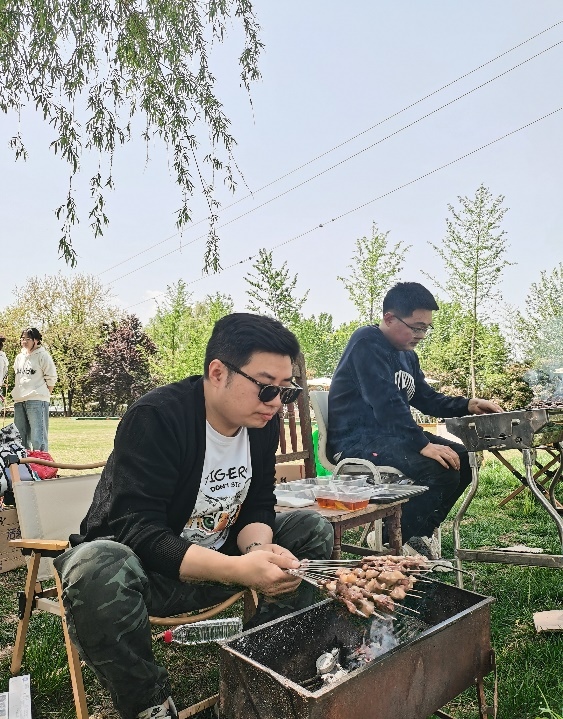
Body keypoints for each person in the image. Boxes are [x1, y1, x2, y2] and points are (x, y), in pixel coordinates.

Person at [54, 313, 334, 719]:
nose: (275, 403)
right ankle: (149, 705)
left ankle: (264, 667)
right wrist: (239, 570)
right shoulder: (156, 417)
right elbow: (138, 530)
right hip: (149, 575)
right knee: (94, 567)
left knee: (311, 528)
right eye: (266, 388)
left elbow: (258, 501)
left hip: (224, 557)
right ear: (217, 373)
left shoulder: (261, 423)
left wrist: (257, 551)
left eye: (286, 391)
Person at [328, 282, 502, 560]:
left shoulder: (408, 356)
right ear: (389, 318)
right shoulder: (366, 343)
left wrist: (467, 405)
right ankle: (389, 538)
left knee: (464, 459)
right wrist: (421, 444)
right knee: (441, 469)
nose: (421, 335)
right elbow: (385, 403)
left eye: (426, 329)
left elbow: (426, 398)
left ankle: (417, 534)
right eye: (417, 327)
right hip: (356, 441)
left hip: (392, 438)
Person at [12, 327, 57, 451]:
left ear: (36, 340)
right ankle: (25, 463)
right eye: (22, 338)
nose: (24, 341)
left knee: (38, 438)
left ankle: (42, 462)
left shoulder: (43, 356)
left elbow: (51, 378)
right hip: (19, 400)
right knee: (20, 437)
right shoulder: (19, 357)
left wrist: (43, 395)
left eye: (28, 339)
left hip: (37, 400)